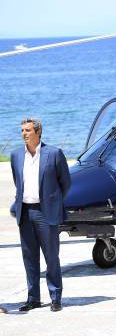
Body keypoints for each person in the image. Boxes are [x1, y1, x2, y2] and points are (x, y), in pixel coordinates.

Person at [10, 118, 71, 312]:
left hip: (46, 213)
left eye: (27, 130)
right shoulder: (16, 155)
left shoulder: (54, 154)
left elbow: (66, 183)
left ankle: (55, 297)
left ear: (38, 132)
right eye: (22, 130)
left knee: (51, 257)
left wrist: (53, 203)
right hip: (25, 213)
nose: (24, 134)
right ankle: (33, 298)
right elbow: (17, 182)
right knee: (29, 257)